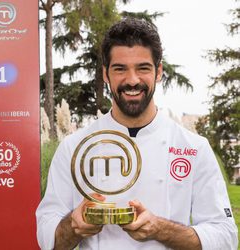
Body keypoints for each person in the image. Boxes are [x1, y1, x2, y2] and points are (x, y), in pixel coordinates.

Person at [36, 17, 238, 250]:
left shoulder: (193, 148)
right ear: (105, 74)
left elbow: (225, 237)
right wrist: (73, 226)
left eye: (143, 68)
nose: (132, 80)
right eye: (120, 69)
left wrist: (160, 229)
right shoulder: (74, 147)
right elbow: (46, 237)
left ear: (158, 71)